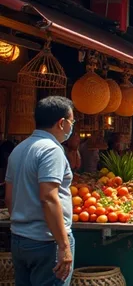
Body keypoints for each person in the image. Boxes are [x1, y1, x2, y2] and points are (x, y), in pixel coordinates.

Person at [6, 96, 76, 286]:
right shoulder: (51, 150)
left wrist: (23, 223)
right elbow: (48, 197)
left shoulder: (19, 149)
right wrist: (63, 245)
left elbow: (9, 196)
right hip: (46, 241)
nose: (72, 127)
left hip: (20, 239)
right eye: (72, 121)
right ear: (62, 123)